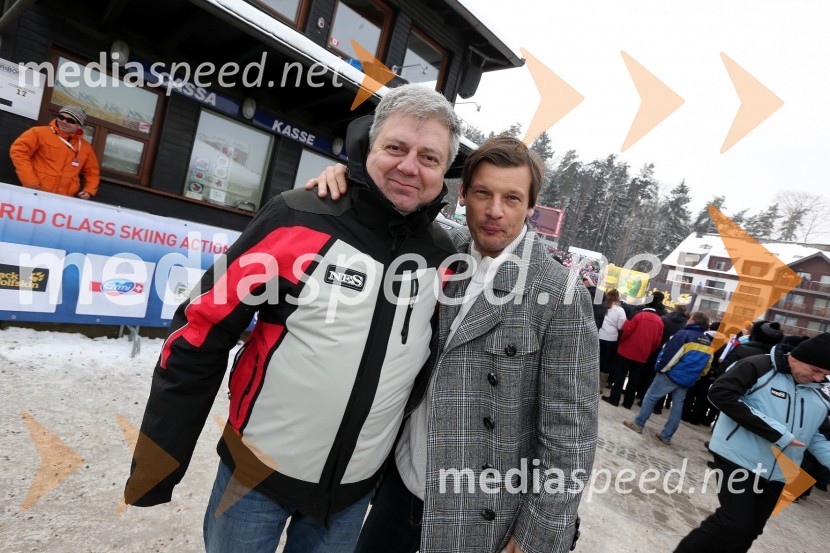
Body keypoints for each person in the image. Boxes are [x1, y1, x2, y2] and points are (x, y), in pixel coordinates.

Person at [124, 84, 464, 553]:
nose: (409, 166)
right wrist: (156, 466)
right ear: (370, 146)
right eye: (396, 148)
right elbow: (201, 330)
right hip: (253, 478)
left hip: (351, 494)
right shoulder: (299, 217)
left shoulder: (445, 258)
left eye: (429, 158)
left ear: (444, 172)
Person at [311, 135, 599, 553]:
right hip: (399, 490)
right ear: (462, 195)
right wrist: (346, 183)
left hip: (480, 517)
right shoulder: (444, 256)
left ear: (531, 206)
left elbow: (570, 436)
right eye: (483, 193)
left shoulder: (560, 294)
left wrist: (535, 537)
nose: (495, 211)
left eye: (512, 198)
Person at [675, 332, 830, 553]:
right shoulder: (758, 366)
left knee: (752, 530)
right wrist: (779, 433)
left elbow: (817, 435)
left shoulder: (821, 392)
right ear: (795, 358)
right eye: (816, 370)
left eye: (825, 374)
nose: (819, 378)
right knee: (734, 523)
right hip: (738, 457)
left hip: (780, 472)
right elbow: (720, 393)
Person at [623, 311, 713, 445]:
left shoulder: (684, 335)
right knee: (677, 407)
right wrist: (696, 376)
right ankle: (666, 436)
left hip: (671, 374)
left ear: (694, 321)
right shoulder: (708, 343)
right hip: (687, 380)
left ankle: (638, 424)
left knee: (651, 397)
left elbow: (670, 355)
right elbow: (707, 365)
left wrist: (660, 369)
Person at [9, 105, 100, 199]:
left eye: (70, 121)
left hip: (64, 200)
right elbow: (18, 152)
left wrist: (89, 190)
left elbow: (92, 172)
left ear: (79, 126)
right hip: (35, 192)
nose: (64, 121)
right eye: (61, 117)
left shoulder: (86, 147)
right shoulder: (38, 132)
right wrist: (28, 179)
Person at [602, 293, 664, 409]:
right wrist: (648, 350)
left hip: (627, 350)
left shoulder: (638, 315)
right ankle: (628, 403)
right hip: (643, 354)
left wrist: (621, 344)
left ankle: (614, 399)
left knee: (620, 375)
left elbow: (627, 330)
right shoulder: (660, 321)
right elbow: (657, 342)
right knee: (634, 378)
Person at [598, 288, 626, 390]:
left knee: (596, 359)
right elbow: (620, 326)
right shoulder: (620, 310)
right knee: (606, 362)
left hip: (599, 335)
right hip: (612, 339)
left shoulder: (602, 306)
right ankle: (601, 386)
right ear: (618, 298)